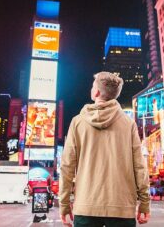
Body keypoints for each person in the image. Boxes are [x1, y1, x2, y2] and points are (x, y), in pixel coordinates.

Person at [60, 72, 150, 227]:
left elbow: (67, 167)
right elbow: (140, 166)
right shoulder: (129, 124)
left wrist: (64, 204)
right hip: (122, 208)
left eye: (93, 86)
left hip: (86, 207)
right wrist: (144, 202)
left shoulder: (77, 122)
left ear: (96, 92)